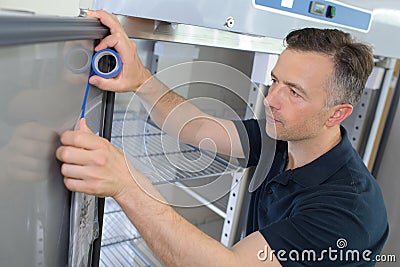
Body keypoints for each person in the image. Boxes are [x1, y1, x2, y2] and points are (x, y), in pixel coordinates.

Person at [56, 10, 388, 266]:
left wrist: (126, 184)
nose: (271, 98)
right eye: (275, 81)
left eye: (294, 92)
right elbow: (198, 127)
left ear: (337, 114)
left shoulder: (346, 215)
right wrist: (140, 79)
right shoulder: (283, 136)